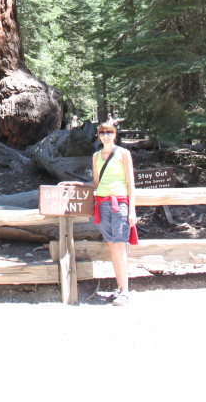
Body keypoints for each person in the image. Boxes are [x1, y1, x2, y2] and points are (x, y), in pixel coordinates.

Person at [60, 120, 137, 306]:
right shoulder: (96, 156)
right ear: (99, 135)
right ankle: (120, 288)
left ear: (115, 134)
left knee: (119, 247)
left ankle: (125, 291)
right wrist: (77, 184)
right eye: (102, 133)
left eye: (109, 132)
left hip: (119, 204)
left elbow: (131, 184)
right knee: (112, 247)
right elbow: (96, 183)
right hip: (102, 205)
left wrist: (132, 210)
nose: (106, 135)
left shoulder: (123, 154)